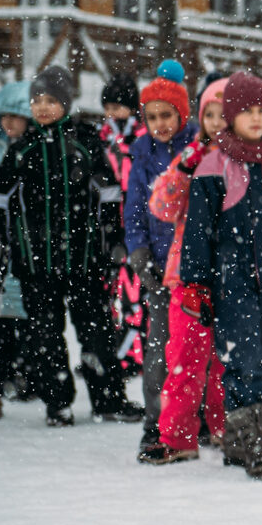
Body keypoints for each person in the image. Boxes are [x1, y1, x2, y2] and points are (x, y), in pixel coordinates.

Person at [0, 66, 142, 427]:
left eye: (51, 100)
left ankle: (109, 399)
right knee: (45, 335)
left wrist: (112, 237)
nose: (42, 108)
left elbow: (109, 192)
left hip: (85, 258)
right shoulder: (23, 149)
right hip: (35, 262)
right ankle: (57, 402)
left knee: (97, 329)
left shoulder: (84, 141)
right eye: (37, 101)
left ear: (66, 103)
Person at [178, 71, 262, 478]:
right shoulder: (212, 168)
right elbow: (197, 231)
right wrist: (196, 282)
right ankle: (254, 444)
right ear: (231, 116)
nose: (256, 118)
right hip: (229, 280)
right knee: (242, 357)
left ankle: (237, 441)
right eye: (247, 111)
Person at [146, 77, 228, 465]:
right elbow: (161, 206)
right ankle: (178, 438)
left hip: (232, 274)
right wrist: (183, 168)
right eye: (209, 114)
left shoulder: (250, 161)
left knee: (226, 361)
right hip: (187, 274)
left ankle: (225, 428)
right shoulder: (192, 157)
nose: (217, 122)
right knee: (183, 358)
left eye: (225, 114)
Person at [124, 72, 198, 462]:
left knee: (199, 352)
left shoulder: (198, 149)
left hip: (194, 268)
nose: (160, 124)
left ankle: (197, 419)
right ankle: (157, 425)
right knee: (159, 352)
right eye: (152, 117)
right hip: (158, 270)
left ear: (182, 114)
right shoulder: (142, 154)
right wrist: (138, 254)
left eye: (167, 114)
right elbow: (134, 208)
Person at [0, 78, 33, 403]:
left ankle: (25, 373)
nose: (9, 124)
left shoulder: (33, 153)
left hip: (26, 243)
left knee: (25, 316)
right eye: (4, 117)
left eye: (16, 117)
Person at [98, 70, 149, 380]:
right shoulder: (101, 138)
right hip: (108, 224)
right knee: (108, 290)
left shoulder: (142, 139)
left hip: (135, 224)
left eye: (119, 106)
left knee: (134, 291)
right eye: (109, 106)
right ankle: (111, 351)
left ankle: (134, 353)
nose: (113, 113)